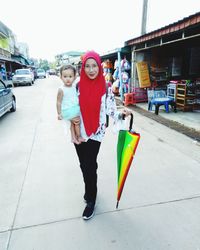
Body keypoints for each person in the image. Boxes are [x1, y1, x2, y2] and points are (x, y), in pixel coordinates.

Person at [74, 51, 131, 220]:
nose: (91, 70)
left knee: (89, 164)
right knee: (84, 165)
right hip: (79, 131)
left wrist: (122, 114)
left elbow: (111, 109)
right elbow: (70, 107)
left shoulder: (105, 88)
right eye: (87, 66)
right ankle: (88, 189)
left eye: (94, 66)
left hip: (96, 132)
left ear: (99, 67)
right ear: (83, 68)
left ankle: (91, 200)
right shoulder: (77, 86)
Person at [56, 64, 84, 144]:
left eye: (70, 76)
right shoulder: (61, 89)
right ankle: (79, 136)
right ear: (61, 77)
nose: (68, 79)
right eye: (65, 76)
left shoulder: (74, 87)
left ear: (75, 77)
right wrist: (59, 113)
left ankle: (73, 138)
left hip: (73, 108)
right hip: (67, 110)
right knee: (77, 121)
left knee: (72, 124)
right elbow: (58, 102)